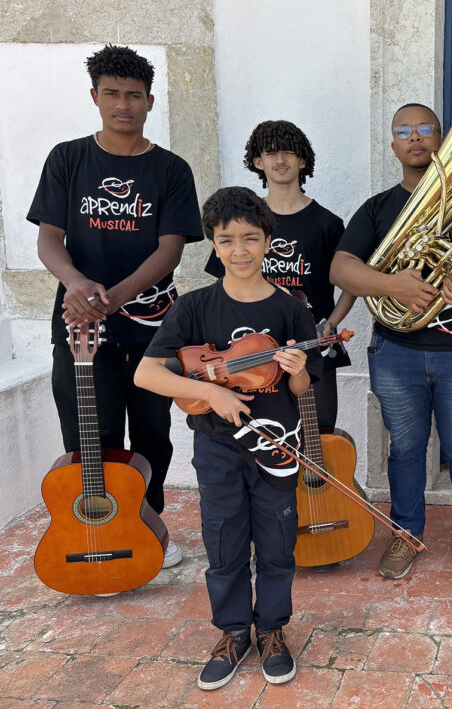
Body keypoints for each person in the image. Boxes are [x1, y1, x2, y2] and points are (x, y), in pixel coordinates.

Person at [135, 187, 322, 689]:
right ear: (214, 246)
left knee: (278, 541)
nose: (239, 250)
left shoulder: (291, 310)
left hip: (277, 444)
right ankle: (234, 631)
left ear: (267, 241)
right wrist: (210, 392)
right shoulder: (194, 306)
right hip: (217, 446)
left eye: (250, 238)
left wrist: (298, 370)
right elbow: (146, 374)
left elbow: (302, 389)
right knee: (223, 540)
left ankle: (272, 630)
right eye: (226, 239)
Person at [27, 44, 203, 570]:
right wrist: (78, 284)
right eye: (111, 94)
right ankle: (94, 528)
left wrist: (112, 299)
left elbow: (170, 250)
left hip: (151, 326)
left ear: (150, 101)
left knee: (152, 435)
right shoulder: (67, 159)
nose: (122, 104)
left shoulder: (171, 169)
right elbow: (49, 239)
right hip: (78, 326)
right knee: (90, 435)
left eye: (133, 95)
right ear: (94, 97)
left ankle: (148, 529)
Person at [331, 103, 452, 583]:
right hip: (397, 352)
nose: (415, 137)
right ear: (393, 145)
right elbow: (341, 268)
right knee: (406, 450)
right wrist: (394, 286)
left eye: (425, 128)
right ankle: (406, 533)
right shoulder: (377, 208)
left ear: (442, 139)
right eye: (404, 131)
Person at [205, 120, 353, 430]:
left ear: (303, 160)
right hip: (253, 349)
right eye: (271, 153)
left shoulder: (327, 223)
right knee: (264, 434)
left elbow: (352, 282)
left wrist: (330, 323)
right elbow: (222, 284)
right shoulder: (244, 223)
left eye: (289, 152)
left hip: (313, 347)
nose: (281, 160)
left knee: (319, 436)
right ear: (258, 162)